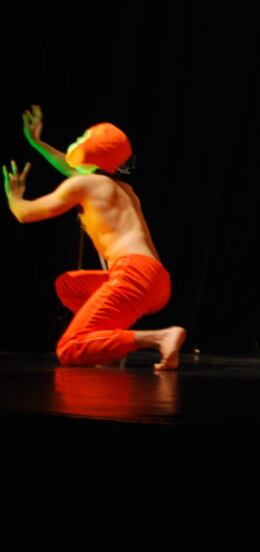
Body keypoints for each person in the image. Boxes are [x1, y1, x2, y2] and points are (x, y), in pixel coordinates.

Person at [5, 106, 185, 369]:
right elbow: (71, 168)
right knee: (69, 286)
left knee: (69, 348)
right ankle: (108, 344)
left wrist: (15, 197)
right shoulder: (122, 188)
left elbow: (25, 214)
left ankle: (159, 337)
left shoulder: (86, 184)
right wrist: (37, 142)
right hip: (156, 281)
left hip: (133, 273)